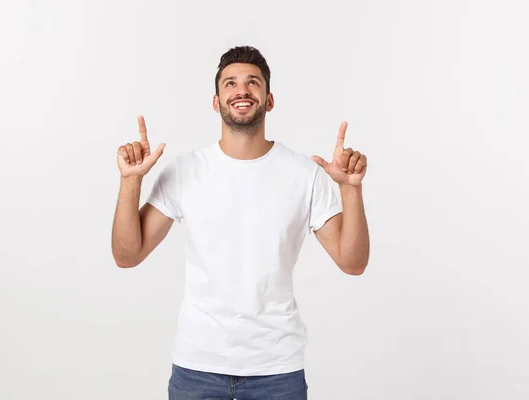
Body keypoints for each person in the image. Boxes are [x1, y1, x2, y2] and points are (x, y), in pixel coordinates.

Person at [111, 45, 370, 400]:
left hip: (276, 371)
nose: (242, 90)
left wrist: (350, 189)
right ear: (216, 102)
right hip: (197, 368)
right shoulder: (185, 171)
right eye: (230, 84)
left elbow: (352, 262)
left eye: (253, 82)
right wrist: (130, 181)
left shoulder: (303, 175)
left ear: (269, 99)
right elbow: (127, 255)